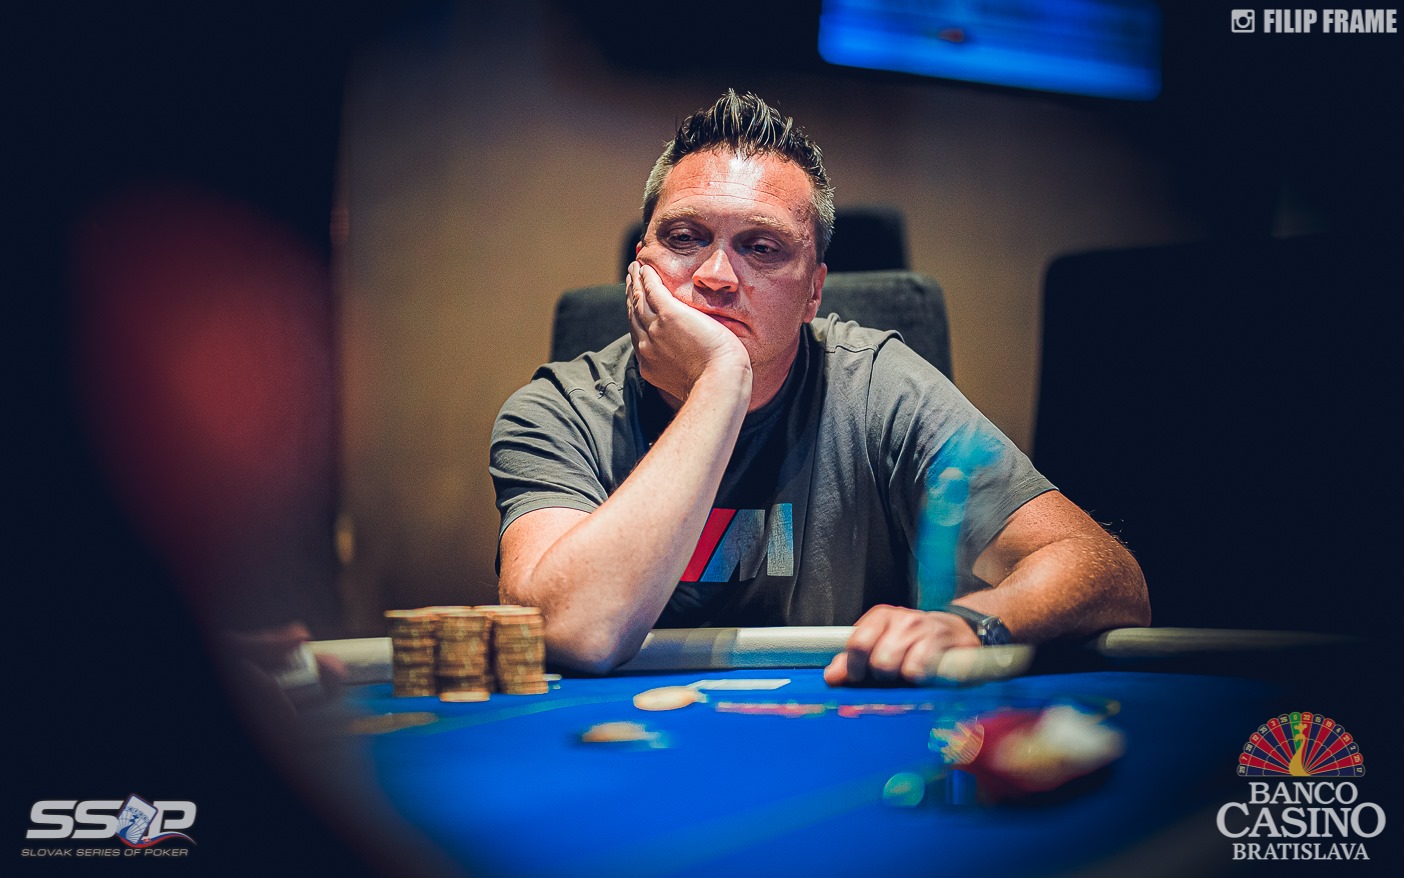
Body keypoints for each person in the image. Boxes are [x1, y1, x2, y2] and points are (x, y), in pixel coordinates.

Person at [490, 90, 1149, 684]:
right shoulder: (557, 411)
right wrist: (721, 383)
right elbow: (573, 631)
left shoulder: (878, 386)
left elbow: (1108, 573)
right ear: (642, 266)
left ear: (813, 292)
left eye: (762, 248)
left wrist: (976, 624)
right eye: (685, 238)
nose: (717, 275)